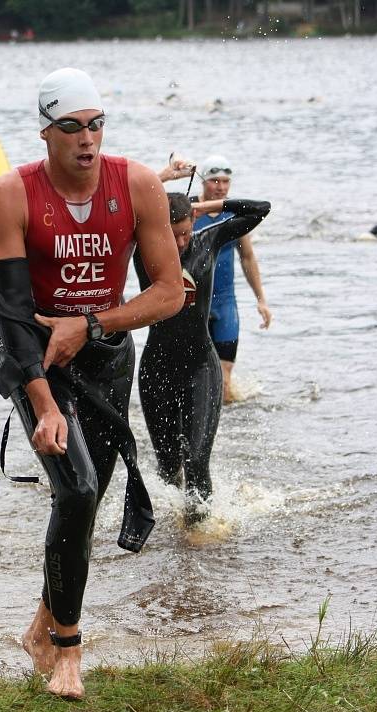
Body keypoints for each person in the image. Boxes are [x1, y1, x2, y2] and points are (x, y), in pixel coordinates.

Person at [0, 67, 184, 700]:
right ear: (46, 131)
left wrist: (92, 324)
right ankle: (68, 652)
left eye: (96, 125)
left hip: (104, 356)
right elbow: (13, 315)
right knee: (76, 489)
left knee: (86, 497)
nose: (87, 139)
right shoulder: (10, 194)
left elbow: (169, 294)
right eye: (71, 127)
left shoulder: (140, 185)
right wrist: (42, 404)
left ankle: (42, 622)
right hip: (32, 356)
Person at [134, 190, 270, 526]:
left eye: (184, 232)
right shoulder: (142, 249)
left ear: (193, 222)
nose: (179, 242)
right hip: (157, 369)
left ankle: (200, 533)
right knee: (167, 466)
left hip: (200, 367)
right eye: (171, 233)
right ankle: (175, 529)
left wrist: (208, 206)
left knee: (196, 460)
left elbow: (259, 209)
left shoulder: (208, 239)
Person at [192, 154, 272, 403]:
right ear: (203, 182)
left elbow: (247, 257)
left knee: (225, 382)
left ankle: (228, 432)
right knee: (197, 375)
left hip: (225, 304)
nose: (221, 187)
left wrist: (261, 300)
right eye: (215, 181)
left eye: (226, 182)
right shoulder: (189, 212)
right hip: (195, 304)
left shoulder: (234, 216)